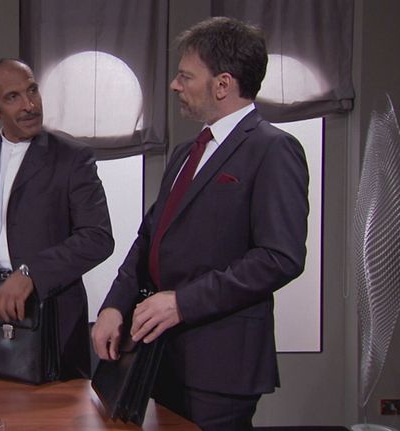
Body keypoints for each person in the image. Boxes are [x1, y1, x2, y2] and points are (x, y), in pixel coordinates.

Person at [91, 17, 309, 431]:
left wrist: (181, 303)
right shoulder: (186, 152)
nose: (175, 85)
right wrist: (114, 305)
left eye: (185, 76)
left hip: (222, 365)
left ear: (222, 84)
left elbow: (279, 257)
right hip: (163, 357)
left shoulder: (274, 150)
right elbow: (149, 238)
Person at [0, 58, 114, 380]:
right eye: (13, 97)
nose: (29, 105)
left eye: (32, 91)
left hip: (53, 319)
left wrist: (32, 273)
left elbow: (97, 238)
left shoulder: (72, 158)